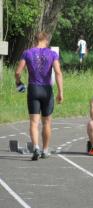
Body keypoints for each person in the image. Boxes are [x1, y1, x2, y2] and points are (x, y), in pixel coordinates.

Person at [14, 31, 63, 160]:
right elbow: (58, 73)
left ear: (35, 40)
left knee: (34, 122)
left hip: (33, 88)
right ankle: (45, 150)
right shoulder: (52, 54)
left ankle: (35, 147)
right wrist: (60, 92)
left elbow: (18, 72)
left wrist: (18, 83)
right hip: (47, 89)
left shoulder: (27, 53)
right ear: (46, 40)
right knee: (46, 122)